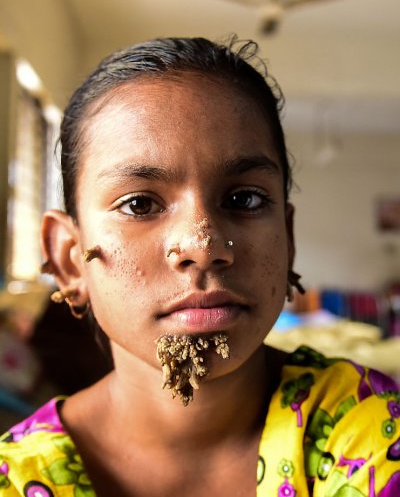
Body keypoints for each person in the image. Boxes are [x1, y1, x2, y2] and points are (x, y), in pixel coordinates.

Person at [0, 37, 399, 496]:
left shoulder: (368, 430)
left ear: (287, 239)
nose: (204, 246)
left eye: (244, 199)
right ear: (70, 259)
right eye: (139, 204)